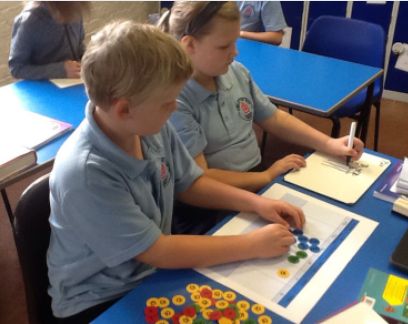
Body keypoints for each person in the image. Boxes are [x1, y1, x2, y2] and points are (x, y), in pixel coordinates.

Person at [47, 20, 305, 323]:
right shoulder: (87, 173)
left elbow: (190, 183)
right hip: (100, 300)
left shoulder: (148, 124)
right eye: (167, 102)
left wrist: (257, 202)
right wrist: (251, 245)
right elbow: (158, 250)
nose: (175, 108)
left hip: (151, 273)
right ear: (123, 109)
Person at [158, 1, 364, 230]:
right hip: (211, 206)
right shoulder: (174, 100)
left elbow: (273, 118)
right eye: (224, 46)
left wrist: (329, 142)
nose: (235, 52)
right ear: (189, 45)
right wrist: (266, 176)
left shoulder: (235, 72)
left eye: (235, 41)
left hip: (255, 180)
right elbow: (200, 180)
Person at [8, 1, 89, 80]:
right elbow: (16, 68)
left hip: (75, 82)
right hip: (44, 88)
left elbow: (79, 45)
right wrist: (60, 70)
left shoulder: (75, 9)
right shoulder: (28, 21)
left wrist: (87, 59)